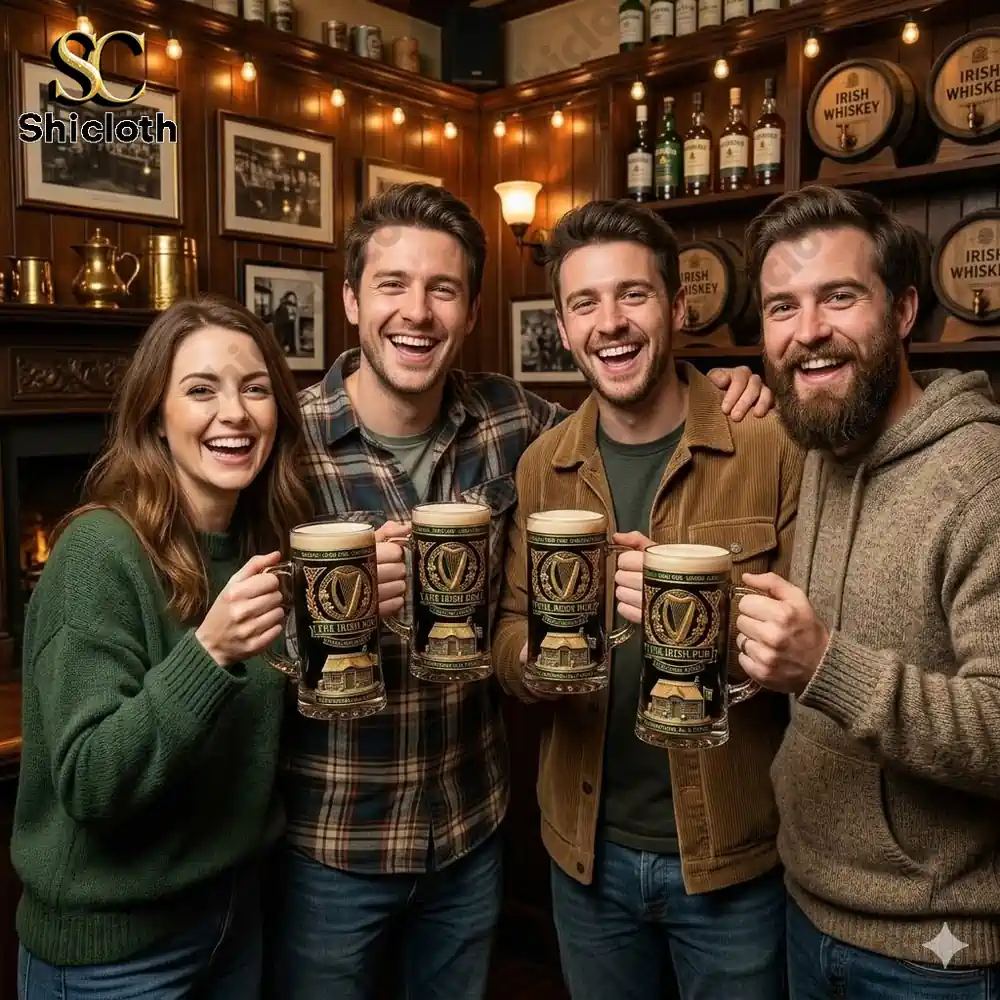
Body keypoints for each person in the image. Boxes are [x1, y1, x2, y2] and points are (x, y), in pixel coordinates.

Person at [273, 181, 774, 1000]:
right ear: (351, 301)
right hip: (336, 844)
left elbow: (630, 403)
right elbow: (233, 631)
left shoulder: (519, 428)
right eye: (393, 286)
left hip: (472, 832)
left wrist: (729, 384)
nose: (418, 312)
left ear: (471, 311)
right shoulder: (282, 445)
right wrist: (327, 617)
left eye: (443, 289)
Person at [491, 198, 801, 1000]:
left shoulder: (769, 443)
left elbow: (817, 639)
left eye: (633, 294)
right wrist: (530, 661)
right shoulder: (541, 465)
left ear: (677, 306)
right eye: (585, 303)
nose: (611, 322)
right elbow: (511, 628)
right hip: (585, 855)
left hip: (736, 857)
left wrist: (702, 610)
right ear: (561, 328)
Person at [734, 185, 1000, 999]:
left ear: (906, 309)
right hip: (805, 906)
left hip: (934, 953)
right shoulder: (822, 444)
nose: (807, 331)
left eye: (839, 297)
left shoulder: (980, 477)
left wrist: (825, 667)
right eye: (782, 307)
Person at [11, 296, 312, 1000]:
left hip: (232, 917)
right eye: (201, 390)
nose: (234, 413)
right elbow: (88, 778)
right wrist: (207, 655)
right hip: (114, 955)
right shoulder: (96, 551)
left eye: (255, 388)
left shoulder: (254, 548)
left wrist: (349, 616)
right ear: (155, 419)